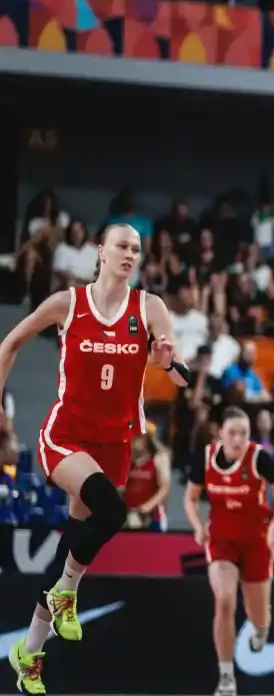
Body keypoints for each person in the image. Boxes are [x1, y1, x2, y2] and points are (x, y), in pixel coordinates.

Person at [0, 223, 190, 695]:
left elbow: (181, 375)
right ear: (100, 251)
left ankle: (28, 653)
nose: (131, 254)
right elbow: (9, 344)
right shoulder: (68, 303)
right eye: (122, 246)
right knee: (112, 511)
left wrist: (167, 362)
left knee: (75, 543)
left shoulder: (149, 307)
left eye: (137, 249)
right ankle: (66, 593)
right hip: (66, 436)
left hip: (115, 443)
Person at [184, 407, 274, 696]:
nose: (238, 439)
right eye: (232, 433)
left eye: (243, 433)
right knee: (224, 600)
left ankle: (260, 629)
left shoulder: (259, 458)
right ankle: (226, 677)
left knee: (257, 613)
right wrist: (197, 525)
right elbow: (190, 498)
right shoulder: (205, 459)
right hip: (221, 540)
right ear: (220, 433)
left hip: (256, 539)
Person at [123, 432, 171, 531]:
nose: (137, 442)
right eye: (134, 439)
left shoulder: (158, 459)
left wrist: (146, 508)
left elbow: (165, 488)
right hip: (129, 515)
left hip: (151, 516)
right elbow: (120, 487)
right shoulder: (129, 462)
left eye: (141, 438)